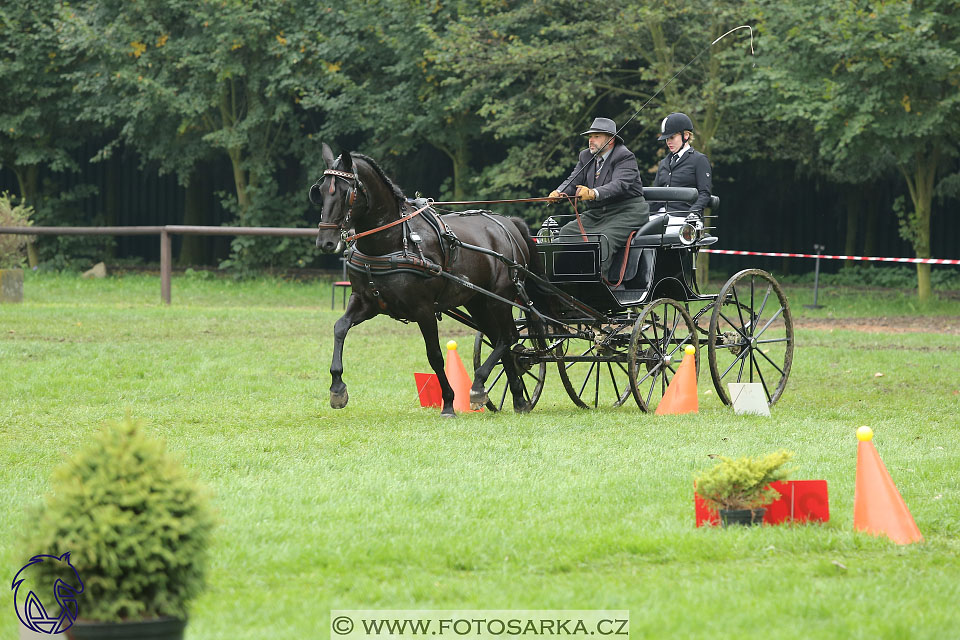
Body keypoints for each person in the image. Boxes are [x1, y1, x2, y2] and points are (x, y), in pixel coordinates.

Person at [548, 117, 649, 276]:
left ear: (610, 140)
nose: (591, 141)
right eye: (590, 136)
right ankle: (570, 278)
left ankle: (598, 284)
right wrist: (559, 192)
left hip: (627, 212)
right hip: (597, 214)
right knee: (567, 232)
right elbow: (573, 180)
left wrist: (593, 193)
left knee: (603, 239)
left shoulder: (624, 156)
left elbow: (620, 184)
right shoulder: (585, 156)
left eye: (597, 136)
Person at [649, 112, 712, 220]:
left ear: (686, 136)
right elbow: (655, 196)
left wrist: (694, 213)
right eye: (666, 139)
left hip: (684, 217)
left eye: (672, 137)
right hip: (659, 216)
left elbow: (704, 193)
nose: (668, 142)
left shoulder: (699, 160)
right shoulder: (664, 163)